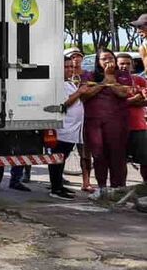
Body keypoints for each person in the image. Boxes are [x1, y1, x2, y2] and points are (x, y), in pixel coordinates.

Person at [83, 48, 135, 199]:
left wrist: (110, 78)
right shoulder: (90, 75)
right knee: (99, 155)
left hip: (117, 122)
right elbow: (85, 95)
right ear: (98, 62)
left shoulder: (123, 75)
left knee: (117, 155)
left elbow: (123, 93)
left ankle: (118, 188)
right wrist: (105, 81)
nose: (108, 61)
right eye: (104, 59)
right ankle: (102, 188)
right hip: (95, 122)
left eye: (110, 58)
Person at [49, 54, 90, 200]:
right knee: (58, 159)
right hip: (63, 129)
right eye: (65, 67)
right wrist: (79, 92)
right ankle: (55, 188)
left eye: (71, 67)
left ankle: (59, 185)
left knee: (63, 159)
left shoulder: (69, 82)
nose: (69, 70)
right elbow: (63, 104)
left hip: (73, 129)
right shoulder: (57, 84)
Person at [65, 48, 94, 191]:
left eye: (78, 57)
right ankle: (58, 179)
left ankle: (86, 181)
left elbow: (93, 92)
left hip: (86, 117)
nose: (76, 60)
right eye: (72, 57)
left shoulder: (88, 75)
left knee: (85, 152)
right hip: (69, 121)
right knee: (63, 151)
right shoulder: (64, 77)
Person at [117, 52, 147, 165]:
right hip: (118, 127)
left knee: (144, 160)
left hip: (138, 126)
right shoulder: (112, 82)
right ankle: (121, 183)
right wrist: (137, 98)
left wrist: (126, 102)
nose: (124, 66)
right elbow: (114, 105)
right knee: (120, 161)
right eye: (121, 63)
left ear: (132, 65)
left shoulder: (140, 80)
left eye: (128, 63)